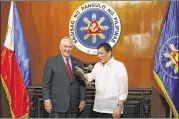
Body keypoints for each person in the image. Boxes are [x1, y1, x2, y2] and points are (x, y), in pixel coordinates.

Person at [76, 43, 128, 118]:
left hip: (113, 110)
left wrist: (119, 107)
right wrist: (82, 74)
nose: (99, 56)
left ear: (109, 53)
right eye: (98, 53)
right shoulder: (97, 66)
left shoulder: (119, 66)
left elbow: (123, 90)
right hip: (98, 108)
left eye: (101, 53)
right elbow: (89, 77)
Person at [42, 36, 86, 118]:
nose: (67, 49)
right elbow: (46, 84)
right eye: (65, 46)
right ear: (60, 47)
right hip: (56, 105)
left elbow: (82, 83)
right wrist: (47, 100)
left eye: (70, 47)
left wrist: (83, 99)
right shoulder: (51, 61)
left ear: (72, 48)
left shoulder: (78, 62)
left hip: (73, 105)